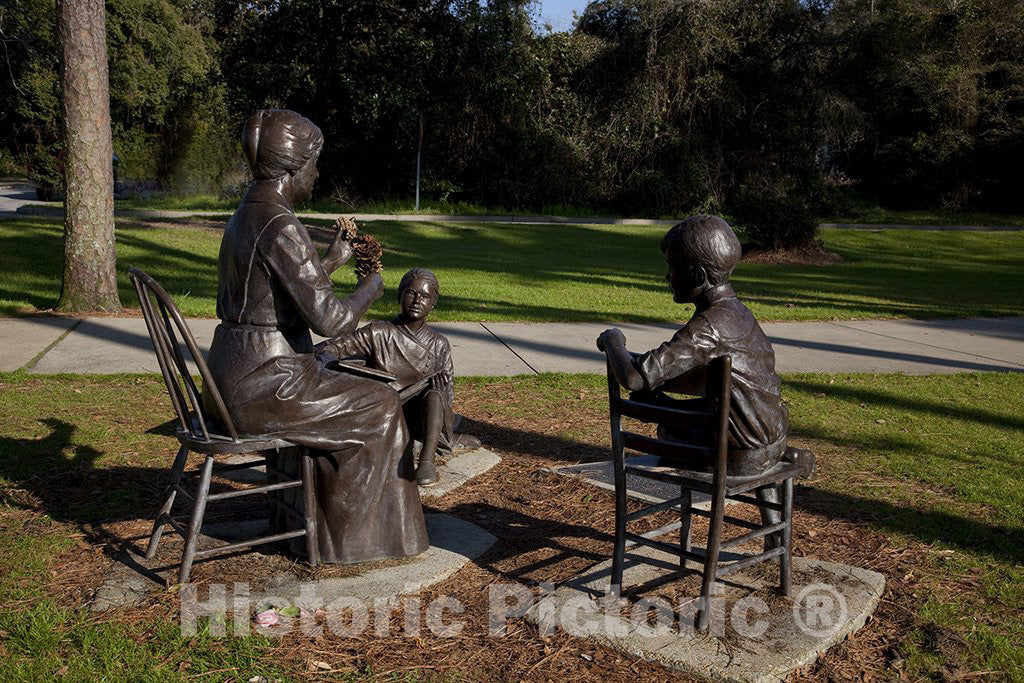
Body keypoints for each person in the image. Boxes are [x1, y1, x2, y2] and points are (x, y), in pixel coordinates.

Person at [203, 109, 428, 564]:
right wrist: (371, 288)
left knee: (356, 384)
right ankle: (350, 545)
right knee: (379, 403)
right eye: (314, 164)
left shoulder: (247, 214)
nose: (317, 173)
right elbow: (329, 320)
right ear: (293, 168)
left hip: (228, 375)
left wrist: (327, 263)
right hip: (264, 383)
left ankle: (310, 524)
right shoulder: (283, 225)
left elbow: (270, 296)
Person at [598, 215, 813, 541]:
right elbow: (686, 371)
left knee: (663, 422)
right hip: (770, 436)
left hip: (734, 455)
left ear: (697, 275)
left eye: (673, 268)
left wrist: (614, 340)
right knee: (663, 403)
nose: (668, 276)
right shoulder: (737, 312)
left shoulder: (709, 326)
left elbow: (634, 378)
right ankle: (775, 530)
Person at [317, 268, 480, 487]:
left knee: (434, 394)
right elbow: (332, 348)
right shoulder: (379, 332)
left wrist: (441, 396)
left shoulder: (438, 344)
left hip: (423, 413)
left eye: (424, 296)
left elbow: (448, 393)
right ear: (400, 295)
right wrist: (327, 361)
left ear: (434, 303)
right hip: (386, 410)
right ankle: (441, 443)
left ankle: (426, 460)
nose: (416, 301)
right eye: (411, 293)